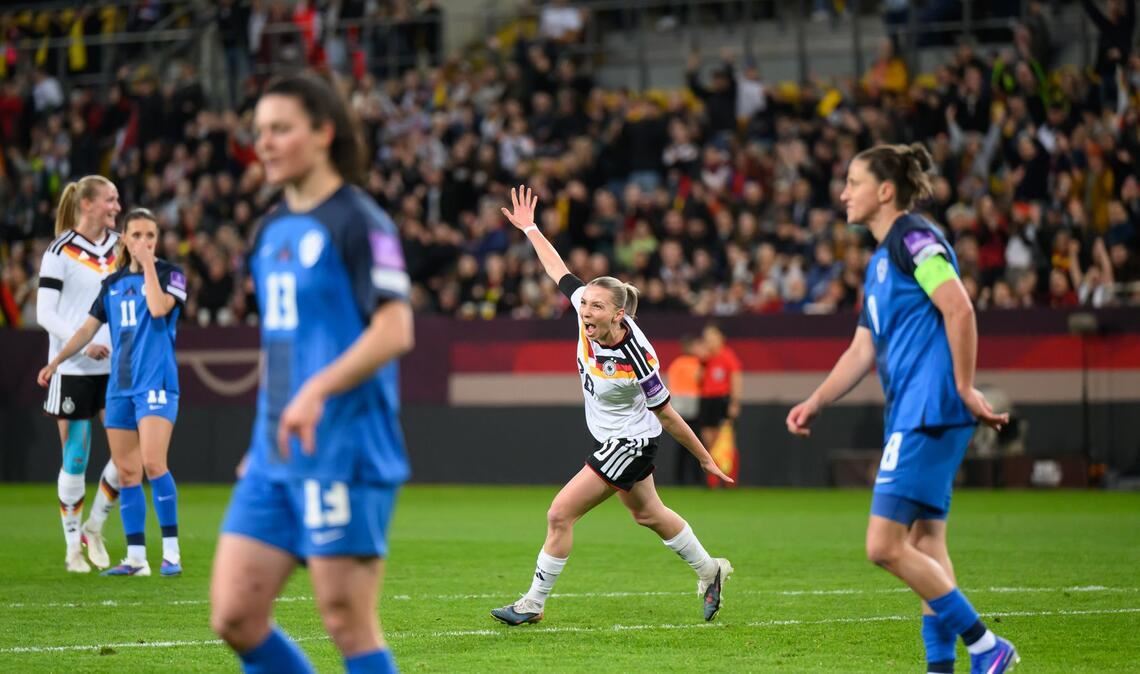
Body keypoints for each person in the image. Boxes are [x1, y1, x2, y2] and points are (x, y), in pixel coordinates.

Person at [209, 72, 415, 674]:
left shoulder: (362, 222)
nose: (265, 143)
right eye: (260, 131)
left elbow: (395, 330)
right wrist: (265, 431)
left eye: (281, 129)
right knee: (236, 615)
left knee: (346, 621)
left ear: (324, 133)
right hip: (276, 450)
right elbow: (281, 347)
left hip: (344, 448)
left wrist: (318, 390)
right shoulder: (269, 229)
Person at [786, 143, 1019, 674]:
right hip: (917, 411)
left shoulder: (913, 239)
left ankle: (987, 646)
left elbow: (959, 307)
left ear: (886, 191)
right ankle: (942, 668)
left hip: (929, 409)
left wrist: (964, 386)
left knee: (883, 546)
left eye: (854, 182)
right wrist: (816, 400)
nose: (844, 194)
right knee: (926, 542)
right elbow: (862, 350)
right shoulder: (878, 263)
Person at [490, 186, 734, 627]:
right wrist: (530, 228)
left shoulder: (637, 357)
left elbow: (667, 415)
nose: (586, 311)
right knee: (648, 513)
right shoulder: (586, 314)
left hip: (631, 443)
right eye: (584, 303)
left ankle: (533, 603)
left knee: (559, 513)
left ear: (618, 315)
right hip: (614, 438)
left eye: (596, 306)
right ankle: (709, 569)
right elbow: (558, 270)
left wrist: (704, 458)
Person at [39, 208, 186, 578]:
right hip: (120, 387)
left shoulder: (172, 275)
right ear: (125, 240)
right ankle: (136, 559)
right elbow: (86, 330)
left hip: (156, 383)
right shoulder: (113, 285)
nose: (144, 242)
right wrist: (56, 361)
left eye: (150, 235)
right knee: (128, 471)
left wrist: (148, 264)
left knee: (154, 464)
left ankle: (172, 552)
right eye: (136, 235)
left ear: (157, 239)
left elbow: (157, 308)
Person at [36, 175, 123, 573]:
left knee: (128, 456)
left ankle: (95, 527)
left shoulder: (121, 246)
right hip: (73, 366)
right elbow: (44, 313)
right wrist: (82, 343)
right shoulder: (59, 251)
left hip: (117, 367)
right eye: (110, 200)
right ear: (87, 204)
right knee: (76, 454)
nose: (117, 207)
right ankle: (73, 549)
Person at [696, 323, 741, 467]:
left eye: (712, 336)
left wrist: (734, 402)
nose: (708, 340)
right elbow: (698, 380)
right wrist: (702, 362)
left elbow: (736, 379)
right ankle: (712, 471)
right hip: (706, 399)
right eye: (706, 337)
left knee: (723, 439)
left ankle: (727, 471)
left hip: (722, 399)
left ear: (721, 337)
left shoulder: (728, 356)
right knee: (706, 437)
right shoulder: (705, 359)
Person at [665, 334, 704, 485]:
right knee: (692, 443)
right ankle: (691, 478)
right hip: (689, 408)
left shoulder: (678, 364)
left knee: (685, 445)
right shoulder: (692, 363)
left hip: (683, 408)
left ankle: (684, 478)